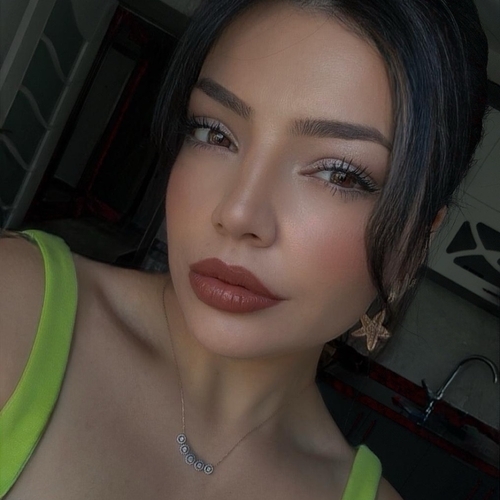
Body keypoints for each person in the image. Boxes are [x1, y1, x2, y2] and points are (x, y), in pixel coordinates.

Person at [0, 0, 488, 498]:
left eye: (339, 174)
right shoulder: (14, 305)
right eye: (214, 133)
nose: (237, 214)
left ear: (416, 239)